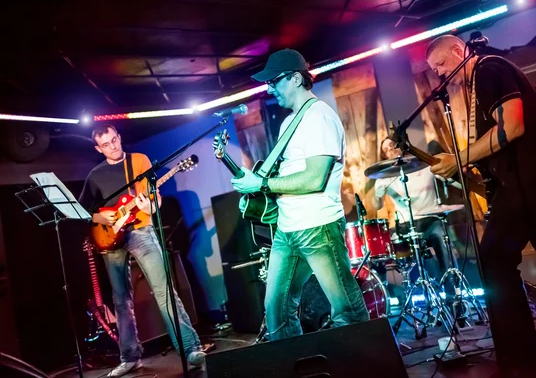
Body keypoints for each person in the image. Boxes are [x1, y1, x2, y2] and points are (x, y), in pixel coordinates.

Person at [425, 34, 536, 377]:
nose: (439, 75)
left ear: (459, 51)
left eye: (441, 65)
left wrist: (459, 159)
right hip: (533, 179)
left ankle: (522, 362)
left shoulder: (489, 69)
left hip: (530, 180)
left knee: (495, 259)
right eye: (433, 71)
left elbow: (513, 125)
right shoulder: (480, 80)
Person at [231, 49, 369, 340]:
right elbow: (287, 177)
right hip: (287, 229)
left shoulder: (319, 117)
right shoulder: (288, 122)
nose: (270, 89)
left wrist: (262, 186)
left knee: (345, 309)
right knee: (276, 309)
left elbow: (314, 178)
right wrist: (259, 192)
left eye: (275, 81)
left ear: (295, 79)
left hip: (318, 227)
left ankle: (370, 363)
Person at [79, 125, 207, 377]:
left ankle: (190, 349)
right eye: (106, 144)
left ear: (119, 136)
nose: (113, 146)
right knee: (120, 300)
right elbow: (83, 210)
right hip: (109, 238)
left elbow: (154, 202)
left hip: (141, 231)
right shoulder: (95, 175)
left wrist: (148, 204)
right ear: (98, 148)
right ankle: (129, 357)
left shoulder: (139, 160)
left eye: (114, 140)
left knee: (163, 291)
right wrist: (103, 220)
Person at [371, 137, 456, 297]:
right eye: (385, 150)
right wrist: (377, 196)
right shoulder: (385, 175)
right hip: (404, 224)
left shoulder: (424, 165)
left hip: (431, 219)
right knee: (380, 251)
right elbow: (376, 204)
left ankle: (452, 293)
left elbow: (449, 179)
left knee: (440, 238)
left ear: (401, 145)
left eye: (392, 145)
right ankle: (401, 296)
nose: (390, 150)